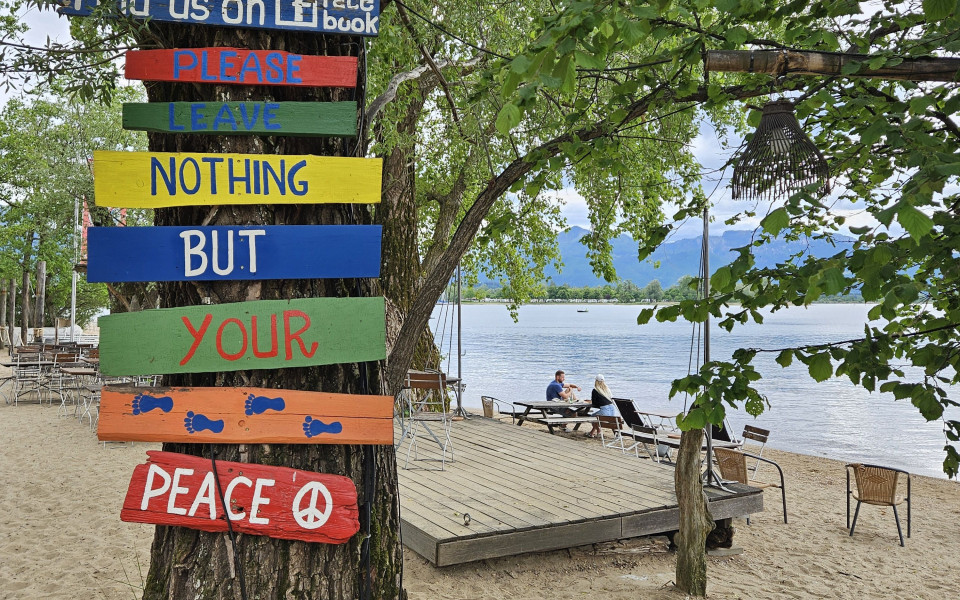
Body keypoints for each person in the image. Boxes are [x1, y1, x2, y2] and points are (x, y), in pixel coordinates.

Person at [585, 374, 615, 438]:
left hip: (605, 411)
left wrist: (591, 401)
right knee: (596, 418)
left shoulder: (595, 390)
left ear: (595, 381)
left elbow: (594, 403)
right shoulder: (607, 389)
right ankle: (592, 432)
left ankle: (598, 431)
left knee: (591, 418)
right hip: (612, 409)